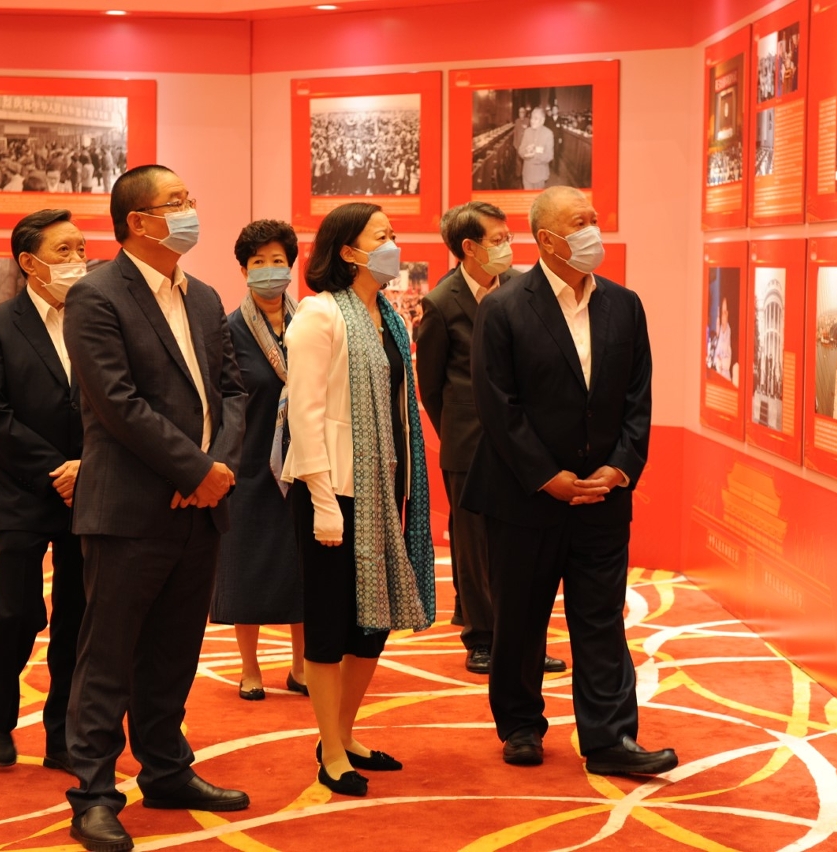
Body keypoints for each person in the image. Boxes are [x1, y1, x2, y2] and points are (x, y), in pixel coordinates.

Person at [62, 165, 249, 852]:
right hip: (130, 509)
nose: (191, 210)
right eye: (177, 202)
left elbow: (234, 392)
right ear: (138, 221)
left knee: (174, 651)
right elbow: (118, 404)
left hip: (200, 507)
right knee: (108, 658)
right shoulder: (96, 296)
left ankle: (166, 769)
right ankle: (93, 794)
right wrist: (194, 469)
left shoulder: (204, 296)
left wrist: (216, 470)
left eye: (189, 198)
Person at [463, 186, 677, 776]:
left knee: (601, 619)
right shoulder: (504, 307)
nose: (593, 231)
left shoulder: (624, 305)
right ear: (548, 239)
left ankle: (610, 739)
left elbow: (638, 397)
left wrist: (622, 466)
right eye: (579, 223)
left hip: (602, 496)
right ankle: (520, 726)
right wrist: (546, 476)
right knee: (520, 619)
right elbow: (497, 407)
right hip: (524, 497)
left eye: (594, 219)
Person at [282, 202, 436, 798]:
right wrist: (322, 500)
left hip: (383, 490)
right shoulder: (319, 315)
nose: (394, 244)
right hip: (335, 493)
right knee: (330, 623)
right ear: (349, 251)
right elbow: (305, 415)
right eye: (382, 236)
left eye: (393, 234)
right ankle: (329, 749)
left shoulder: (390, 318)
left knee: (373, 624)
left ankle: (343, 735)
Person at [415, 202, 568, 676]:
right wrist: (458, 430)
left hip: (526, 442)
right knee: (474, 548)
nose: (508, 246)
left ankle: (526, 641)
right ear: (469, 247)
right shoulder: (441, 303)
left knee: (526, 547)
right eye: (498, 239)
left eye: (507, 237)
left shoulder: (525, 288)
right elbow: (431, 386)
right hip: (468, 443)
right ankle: (482, 638)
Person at [0, 209, 88, 775]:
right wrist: (55, 469)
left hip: (90, 488)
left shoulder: (96, 318)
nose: (77, 260)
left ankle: (63, 734)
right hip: (23, 489)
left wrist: (87, 467)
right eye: (64, 251)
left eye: (81, 249)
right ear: (29, 262)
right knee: (16, 612)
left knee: (77, 618)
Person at [210, 219, 308, 701]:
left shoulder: (310, 324)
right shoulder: (228, 330)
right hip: (249, 468)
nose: (269, 270)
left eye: (278, 261)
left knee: (302, 569)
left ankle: (301, 666)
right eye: (258, 262)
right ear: (244, 270)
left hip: (304, 466)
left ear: (291, 267)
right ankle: (250, 668)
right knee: (245, 569)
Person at [518, 108, 555, 190]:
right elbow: (520, 150)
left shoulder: (548, 134)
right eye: (531, 118)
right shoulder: (527, 131)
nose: (532, 121)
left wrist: (535, 154)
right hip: (526, 173)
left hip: (540, 176)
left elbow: (550, 156)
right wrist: (526, 152)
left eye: (536, 118)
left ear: (542, 120)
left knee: (538, 197)